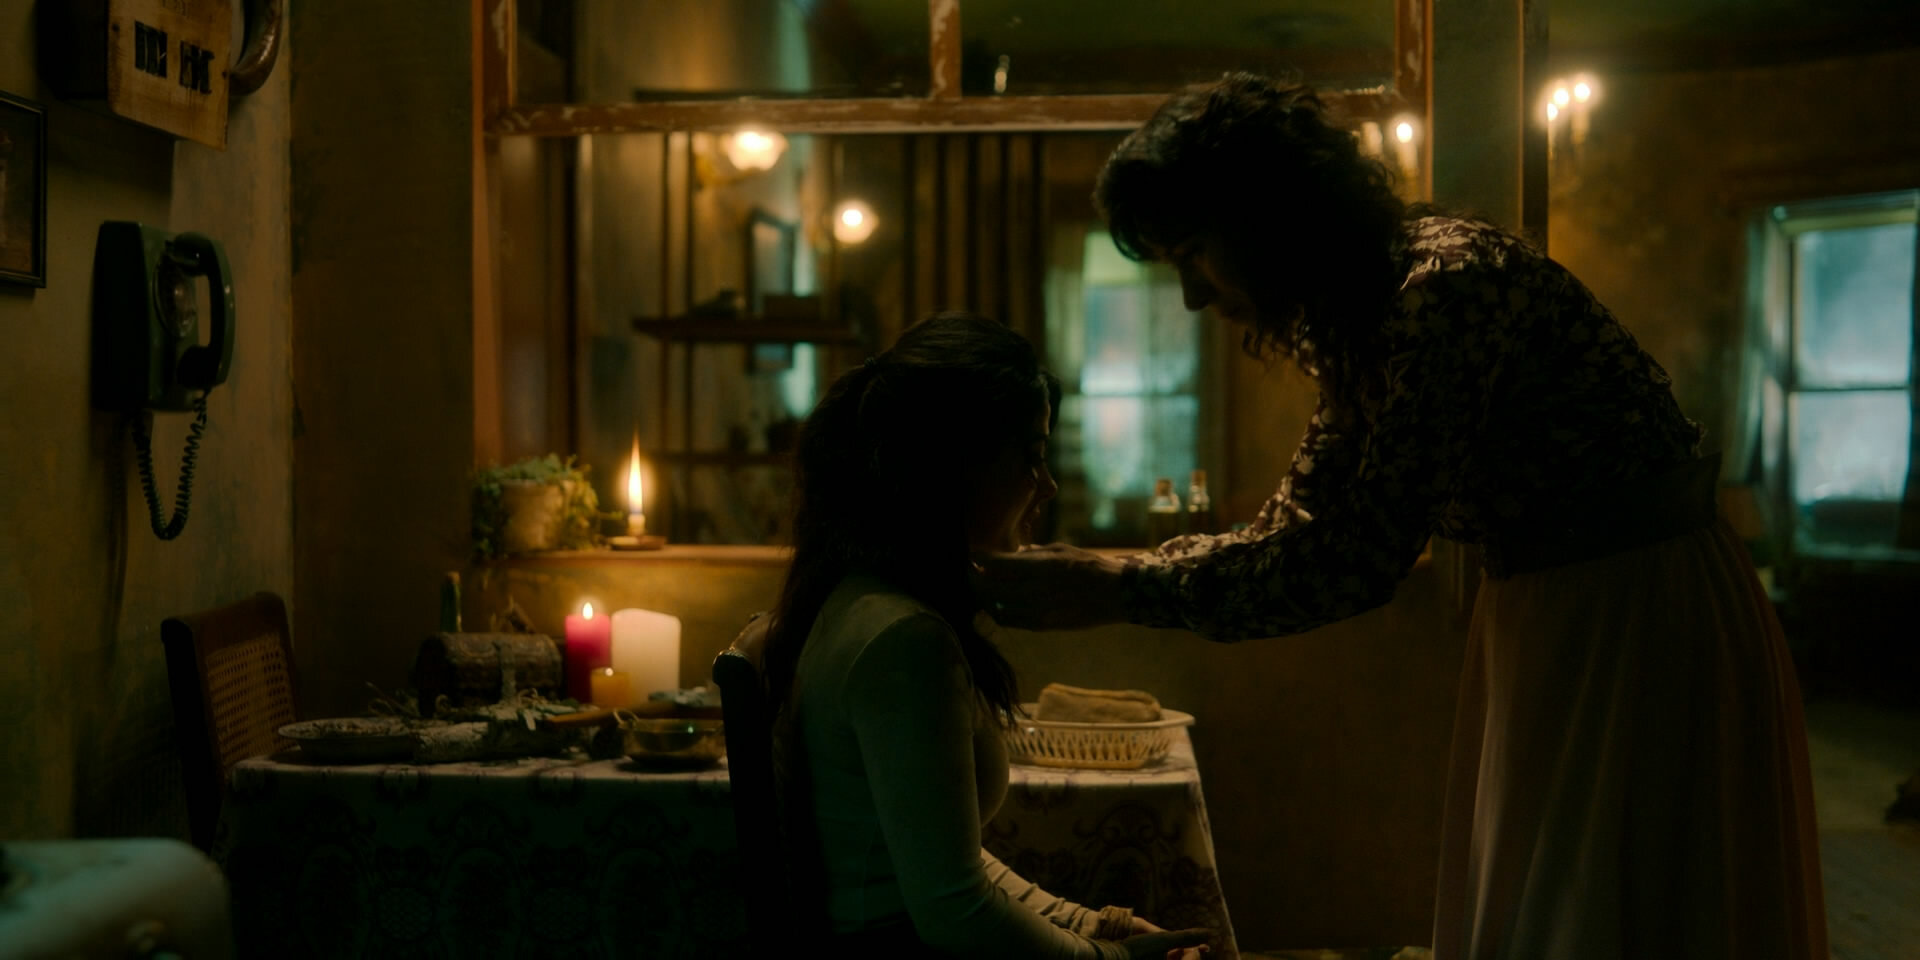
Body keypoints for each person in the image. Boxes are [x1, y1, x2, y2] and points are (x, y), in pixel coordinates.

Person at [972, 75, 1827, 959]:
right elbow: (1301, 519)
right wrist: (1125, 579)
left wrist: (1121, 585)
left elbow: (1358, 555)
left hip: (1635, 610)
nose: (1192, 295)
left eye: (1193, 252)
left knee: (1623, 905)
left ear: (1267, 218)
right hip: (1554, 609)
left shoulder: (1444, 284)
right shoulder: (1367, 313)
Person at [761, 312, 1213, 959]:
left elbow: (949, 864)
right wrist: (1108, 959)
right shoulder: (903, 641)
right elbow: (954, 910)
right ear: (953, 465)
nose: (1046, 486)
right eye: (1031, 455)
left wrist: (1093, 926)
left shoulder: (859, 601)